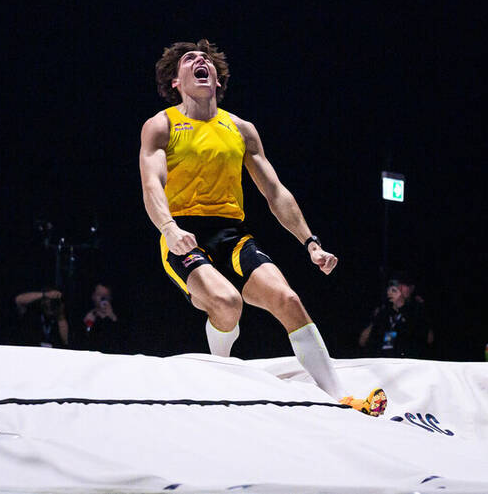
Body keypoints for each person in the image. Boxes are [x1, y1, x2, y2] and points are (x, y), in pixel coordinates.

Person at [138, 39, 386, 416]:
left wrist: (310, 242)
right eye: (189, 59)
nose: (200, 60)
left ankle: (342, 397)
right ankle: (220, 375)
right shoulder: (162, 124)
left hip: (232, 235)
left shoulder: (240, 129)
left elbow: (275, 191)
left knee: (288, 300)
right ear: (175, 81)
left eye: (206, 59)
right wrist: (169, 229)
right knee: (227, 304)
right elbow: (151, 184)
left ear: (217, 80)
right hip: (184, 235)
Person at [359, 272, 433, 358]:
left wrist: (404, 307)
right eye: (391, 287)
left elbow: (428, 340)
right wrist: (376, 318)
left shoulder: (416, 310)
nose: (391, 292)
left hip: (407, 360)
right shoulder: (384, 311)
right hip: (383, 359)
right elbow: (362, 341)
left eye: (400, 286)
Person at [80, 283, 126, 353]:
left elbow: (123, 341)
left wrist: (112, 317)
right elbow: (83, 340)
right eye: (99, 294)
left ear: (110, 297)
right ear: (93, 296)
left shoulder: (118, 316)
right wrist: (87, 325)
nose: (102, 298)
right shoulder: (88, 315)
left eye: (106, 295)